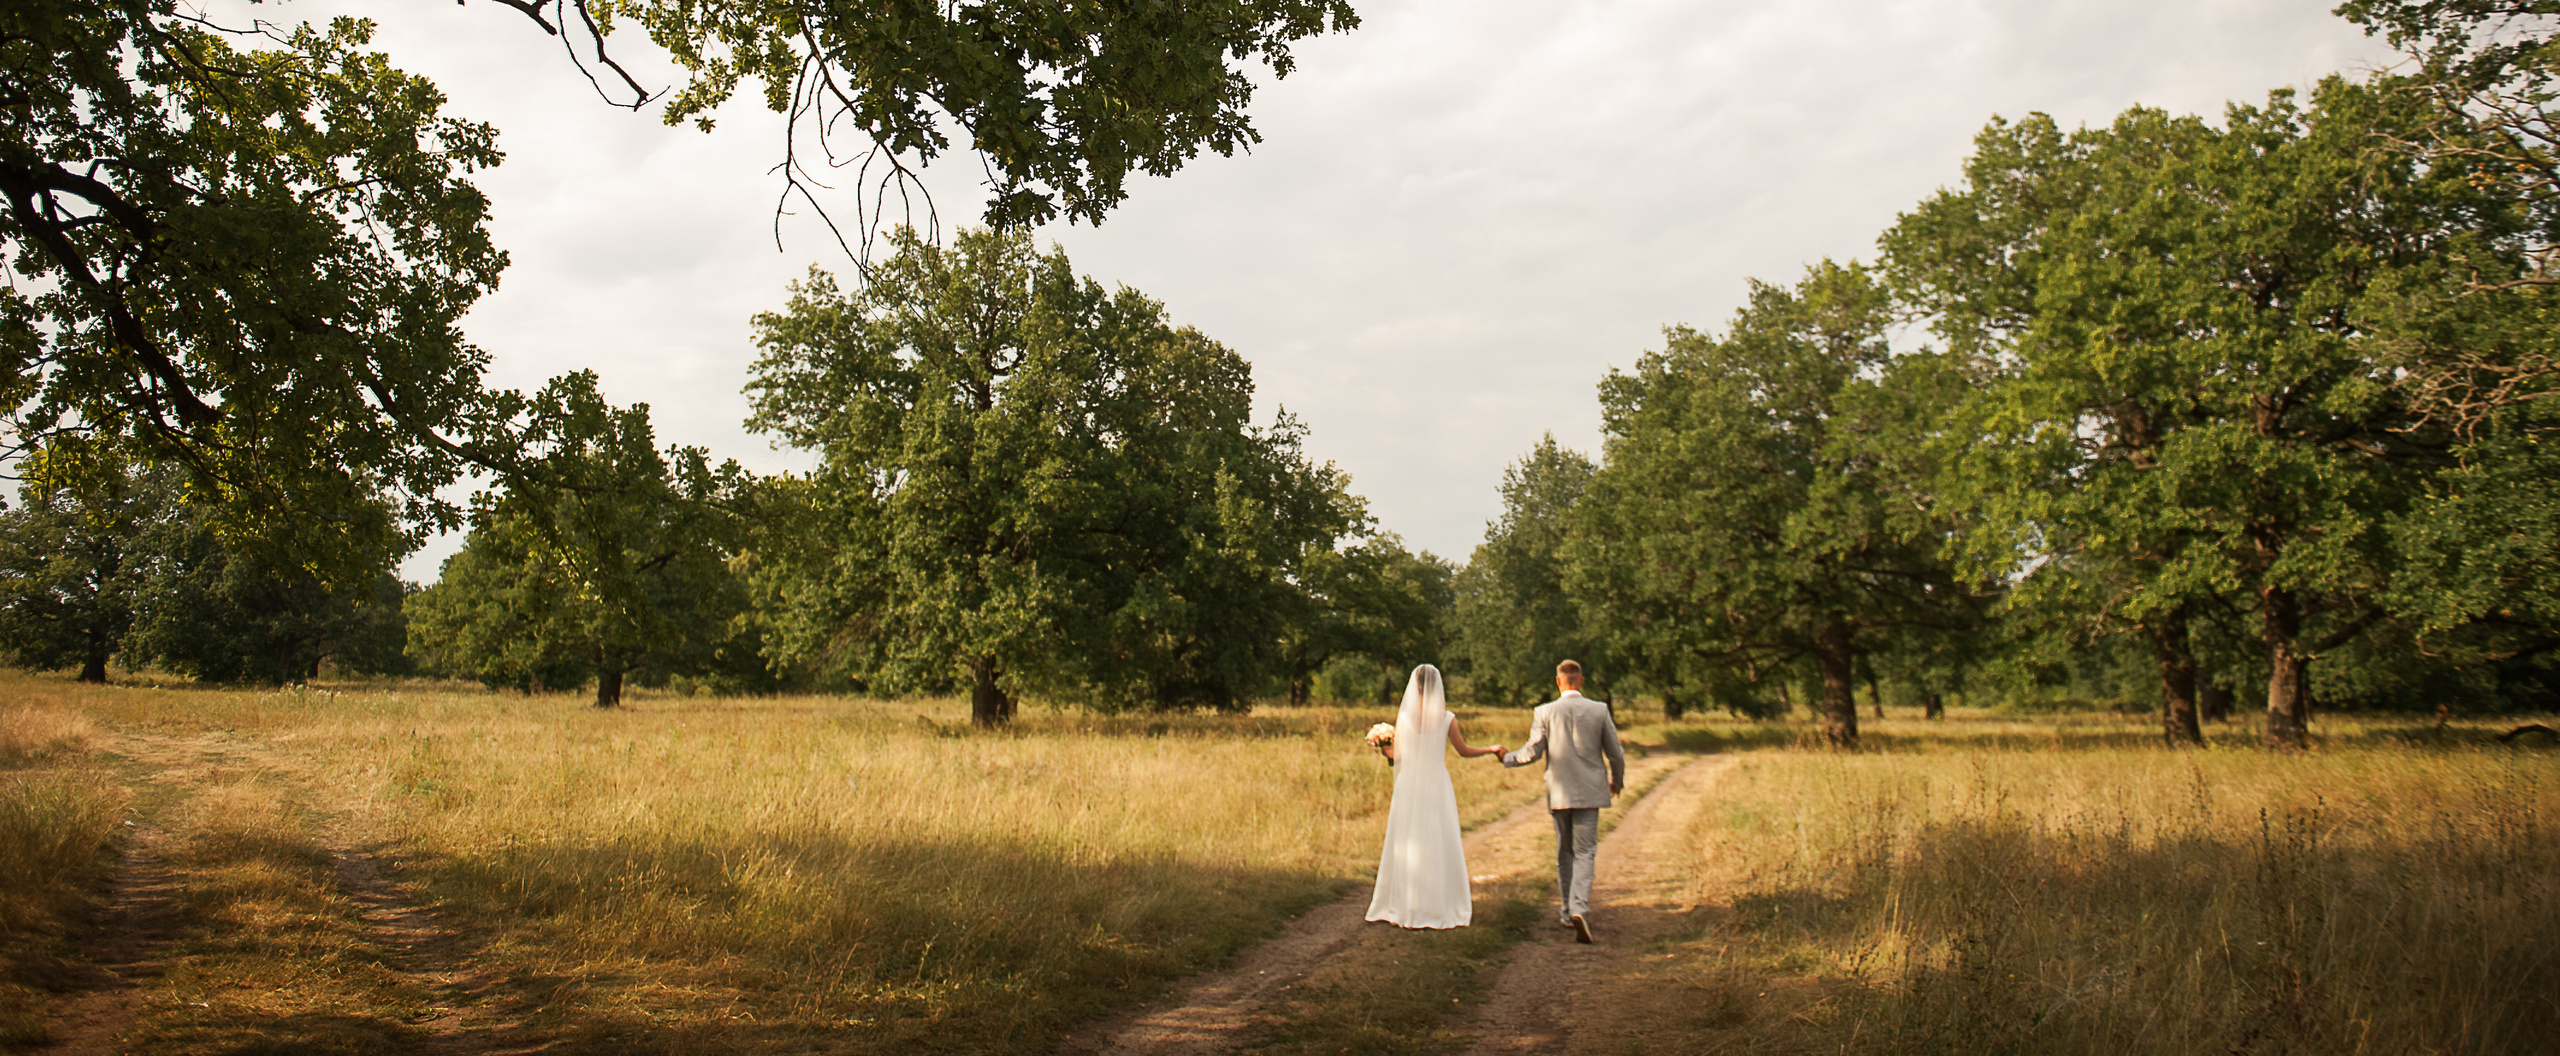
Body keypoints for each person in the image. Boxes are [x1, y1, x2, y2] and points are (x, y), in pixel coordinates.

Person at [1367, 664, 1507, 929]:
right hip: (1436, 782)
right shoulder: (1447, 718)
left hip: (1410, 782)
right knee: (1437, 838)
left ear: (1415, 686)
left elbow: (1400, 755)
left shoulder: (1405, 718)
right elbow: (1463, 751)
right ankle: (1437, 903)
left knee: (1409, 839)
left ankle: (1408, 903)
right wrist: (1491, 749)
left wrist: (1383, 746)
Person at [1499, 659, 1625, 943]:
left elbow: (1532, 752)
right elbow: (1615, 752)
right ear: (1581, 681)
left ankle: (1568, 911)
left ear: (1558, 681)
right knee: (1585, 851)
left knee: (1564, 852)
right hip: (1590, 792)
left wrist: (1506, 758)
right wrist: (1617, 780)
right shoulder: (1599, 710)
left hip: (1559, 792)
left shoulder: (1544, 711)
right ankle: (1580, 908)